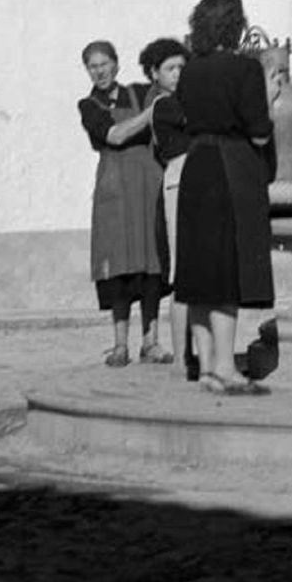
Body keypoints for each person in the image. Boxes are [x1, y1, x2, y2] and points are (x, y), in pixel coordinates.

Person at [173, 0, 275, 397]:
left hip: (196, 164)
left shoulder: (190, 70)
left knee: (198, 270)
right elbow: (259, 131)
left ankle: (205, 366)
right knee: (227, 269)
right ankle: (226, 367)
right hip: (231, 165)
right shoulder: (244, 69)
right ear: (235, 25)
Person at [78, 40, 171, 367]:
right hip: (115, 193)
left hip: (148, 187)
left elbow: (167, 95)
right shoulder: (89, 106)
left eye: (104, 64)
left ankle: (151, 342)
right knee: (118, 267)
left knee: (151, 265)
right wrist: (149, 114)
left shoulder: (140, 92)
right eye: (93, 66)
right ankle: (120, 345)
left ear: (116, 64)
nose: (99, 71)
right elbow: (114, 135)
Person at [140, 36, 193, 376]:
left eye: (181, 67)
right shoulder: (163, 105)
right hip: (178, 181)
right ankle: (181, 355)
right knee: (181, 273)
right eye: (170, 68)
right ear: (154, 73)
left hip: (197, 179)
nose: (177, 74)